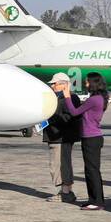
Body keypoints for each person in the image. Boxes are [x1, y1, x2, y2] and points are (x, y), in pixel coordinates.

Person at [58, 72, 110, 211]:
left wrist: (67, 95)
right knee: (90, 170)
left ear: (93, 83)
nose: (86, 84)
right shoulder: (97, 98)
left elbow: (75, 112)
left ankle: (97, 202)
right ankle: (93, 199)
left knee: (92, 171)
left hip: (91, 139)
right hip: (92, 138)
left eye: (87, 82)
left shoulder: (94, 99)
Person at [42, 72, 79, 203]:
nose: (52, 86)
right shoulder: (57, 98)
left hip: (62, 137)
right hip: (54, 136)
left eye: (54, 84)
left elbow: (69, 118)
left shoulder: (71, 98)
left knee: (61, 165)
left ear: (64, 84)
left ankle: (66, 193)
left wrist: (50, 118)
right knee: (57, 165)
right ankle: (66, 191)